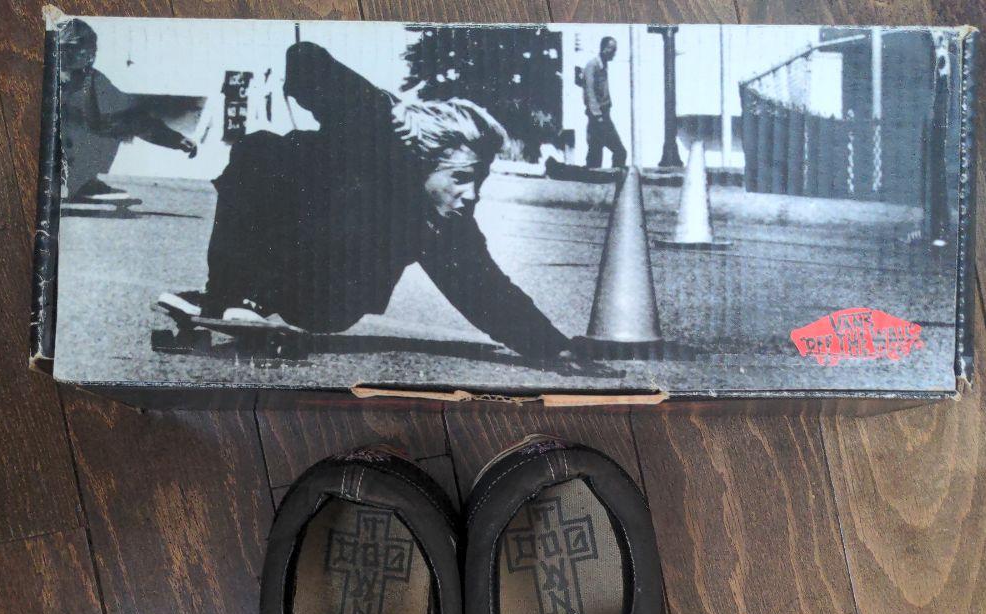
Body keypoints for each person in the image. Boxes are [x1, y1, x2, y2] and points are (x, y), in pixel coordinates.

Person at [159, 42, 572, 365]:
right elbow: (305, 59)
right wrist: (380, 107)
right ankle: (227, 295)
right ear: (421, 163)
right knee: (261, 149)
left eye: (479, 181)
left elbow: (487, 291)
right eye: (461, 178)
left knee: (288, 157)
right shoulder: (378, 139)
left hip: (331, 300)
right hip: (300, 253)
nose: (472, 194)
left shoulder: (445, 227)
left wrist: (555, 346)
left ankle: (245, 297)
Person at [59, 18, 197, 201]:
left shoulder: (91, 81)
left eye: (91, 50)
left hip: (69, 164)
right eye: (79, 49)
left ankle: (80, 182)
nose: (90, 55)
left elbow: (131, 118)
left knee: (112, 123)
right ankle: (64, 183)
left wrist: (174, 139)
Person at [582, 37, 627, 170]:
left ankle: (606, 178)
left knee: (595, 153)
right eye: (612, 50)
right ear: (604, 49)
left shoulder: (603, 65)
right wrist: (598, 115)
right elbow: (589, 92)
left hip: (604, 114)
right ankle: (614, 177)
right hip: (598, 117)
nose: (614, 53)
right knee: (619, 152)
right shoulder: (592, 66)